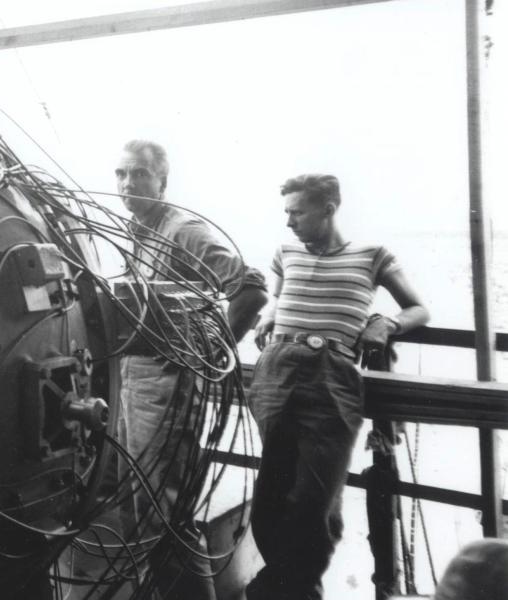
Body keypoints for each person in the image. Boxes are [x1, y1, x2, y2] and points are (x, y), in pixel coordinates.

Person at [245, 174, 430, 600]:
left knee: (314, 499)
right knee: (271, 493)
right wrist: (272, 313)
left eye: (297, 211)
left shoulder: (372, 255)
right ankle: (283, 582)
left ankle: (293, 588)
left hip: (332, 375)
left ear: (328, 208)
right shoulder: (285, 253)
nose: (289, 222)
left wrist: (385, 321)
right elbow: (280, 297)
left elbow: (419, 308)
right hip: (276, 369)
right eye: (286, 212)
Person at [115, 140, 268, 600]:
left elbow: (251, 288)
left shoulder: (184, 230)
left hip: (169, 383)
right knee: (144, 508)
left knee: (163, 515)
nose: (127, 185)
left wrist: (205, 354)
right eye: (121, 174)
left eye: (140, 174)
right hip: (137, 379)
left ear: (163, 180)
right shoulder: (138, 230)